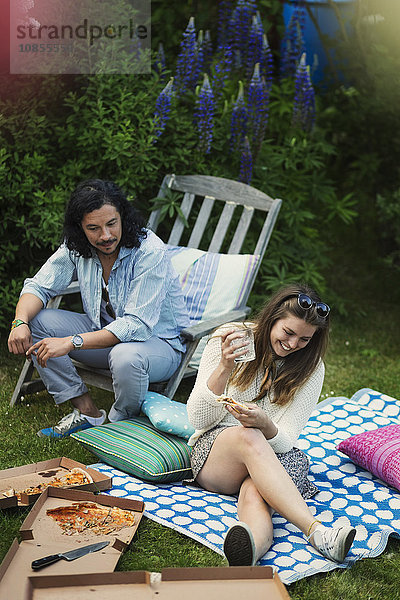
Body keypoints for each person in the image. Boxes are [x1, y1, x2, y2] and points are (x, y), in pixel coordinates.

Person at [186, 283, 356, 566]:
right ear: (271, 318)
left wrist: (267, 425)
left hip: (275, 456)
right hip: (219, 455)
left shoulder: (311, 368)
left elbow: (287, 439)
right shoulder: (229, 338)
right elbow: (198, 420)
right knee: (249, 437)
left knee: (255, 492)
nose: (292, 345)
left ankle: (252, 548)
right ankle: (317, 532)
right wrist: (225, 367)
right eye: (288, 332)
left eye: (304, 339)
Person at [8, 179, 190, 438]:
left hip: (157, 347)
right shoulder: (78, 247)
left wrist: (71, 342)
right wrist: (20, 322)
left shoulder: (150, 251)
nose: (105, 236)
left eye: (111, 224)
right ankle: (87, 413)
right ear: (80, 229)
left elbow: (135, 325)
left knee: (125, 356)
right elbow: (39, 286)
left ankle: (120, 426)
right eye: (93, 228)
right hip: (102, 336)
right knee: (38, 321)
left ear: (123, 218)